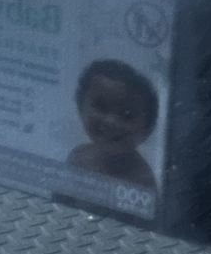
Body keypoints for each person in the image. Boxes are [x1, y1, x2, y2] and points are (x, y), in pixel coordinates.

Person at [66, 59, 160, 198]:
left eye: (127, 115)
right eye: (101, 107)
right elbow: (60, 199)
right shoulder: (78, 157)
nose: (111, 122)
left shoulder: (142, 180)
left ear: (147, 129)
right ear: (81, 108)